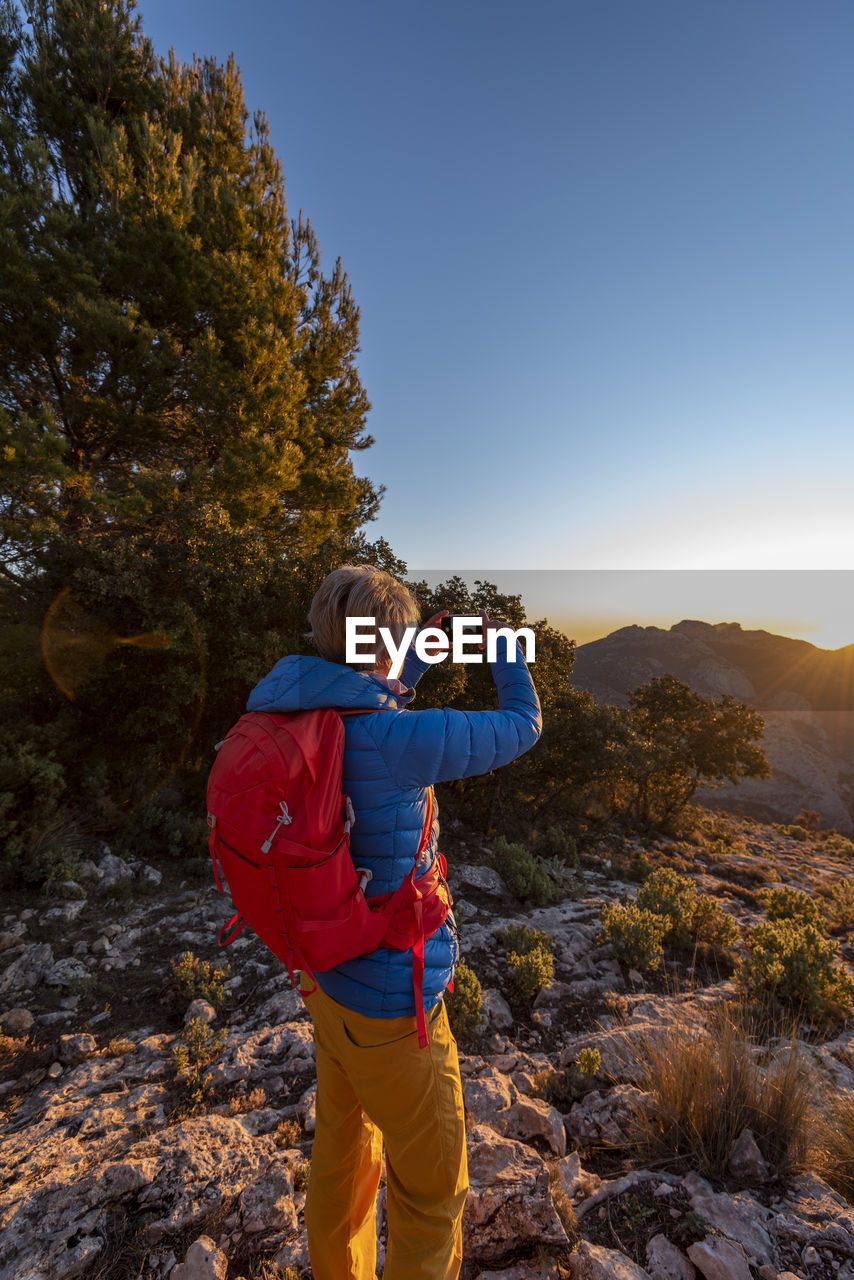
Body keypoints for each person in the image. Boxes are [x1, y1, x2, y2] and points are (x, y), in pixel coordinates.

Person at [246, 565, 542, 1280]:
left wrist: (414, 655)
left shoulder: (293, 707)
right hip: (392, 1003)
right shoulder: (395, 739)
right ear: (385, 642)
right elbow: (520, 727)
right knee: (432, 1190)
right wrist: (505, 656)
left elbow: (368, 688)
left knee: (342, 1157)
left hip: (324, 980)